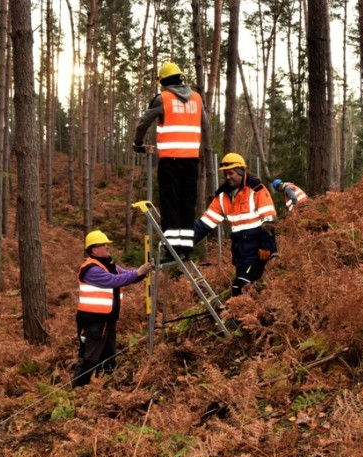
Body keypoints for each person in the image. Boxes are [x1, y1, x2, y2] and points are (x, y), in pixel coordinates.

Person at [133, 62, 211, 260]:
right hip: (191, 160)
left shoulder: (163, 98)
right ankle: (186, 249)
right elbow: (205, 123)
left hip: (170, 161)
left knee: (170, 204)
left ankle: (172, 250)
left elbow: (143, 123)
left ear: (164, 81)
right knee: (187, 204)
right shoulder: (196, 98)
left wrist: (137, 143)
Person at [74, 230, 154, 387]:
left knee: (109, 357)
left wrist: (141, 273)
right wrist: (138, 271)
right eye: (104, 245)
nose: (108, 247)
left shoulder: (109, 265)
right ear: (94, 249)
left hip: (107, 321)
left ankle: (106, 390)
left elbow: (126, 275)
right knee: (89, 359)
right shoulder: (91, 269)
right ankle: (77, 391)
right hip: (93, 323)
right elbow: (114, 281)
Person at [193, 153, 278, 296]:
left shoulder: (256, 189)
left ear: (241, 171)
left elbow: (268, 220)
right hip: (240, 256)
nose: (227, 177)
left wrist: (266, 246)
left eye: (231, 173)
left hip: (258, 254)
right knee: (246, 290)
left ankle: (238, 318)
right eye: (225, 174)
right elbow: (204, 225)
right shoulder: (222, 196)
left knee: (240, 287)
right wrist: (184, 243)